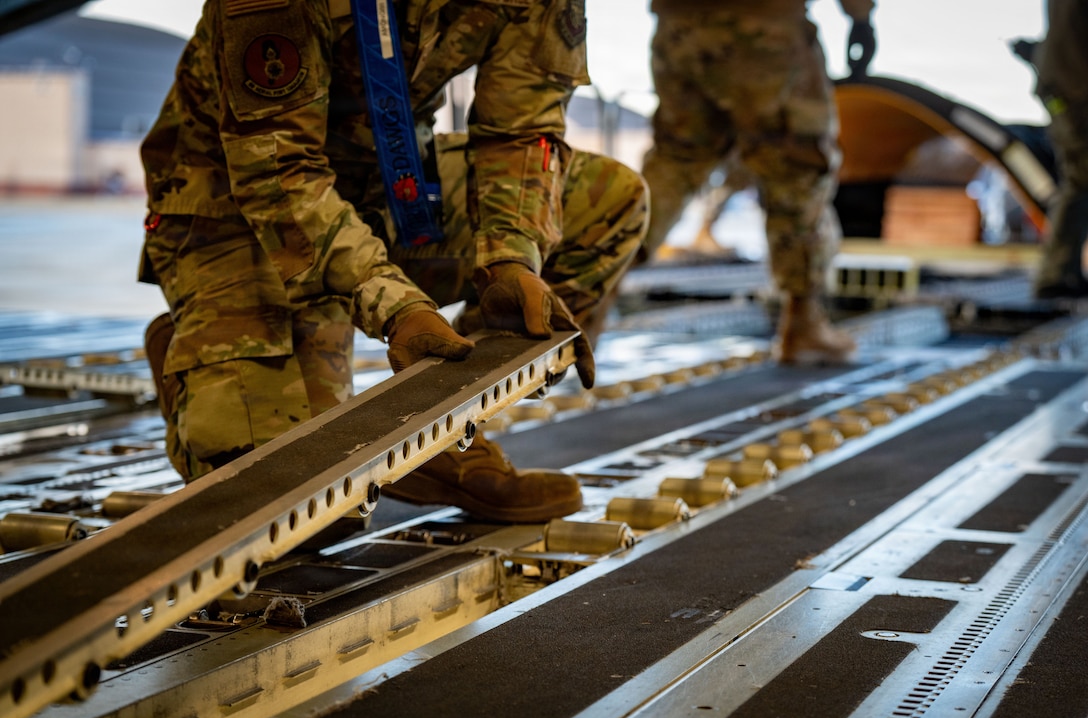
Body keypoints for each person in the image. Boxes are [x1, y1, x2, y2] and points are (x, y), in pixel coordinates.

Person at [138, 0, 647, 523]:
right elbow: (276, 172)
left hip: (390, 194)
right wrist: (397, 307)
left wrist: (512, 260)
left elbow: (519, 134)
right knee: (300, 509)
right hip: (237, 213)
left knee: (610, 200)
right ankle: (203, 345)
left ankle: (448, 430)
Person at [639, 0, 874, 364]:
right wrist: (860, 16)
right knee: (795, 166)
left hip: (678, 25)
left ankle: (588, 298)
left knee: (674, 162)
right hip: (765, 25)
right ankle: (804, 325)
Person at [1021, 0, 1088, 299]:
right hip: (1071, 91)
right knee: (1081, 175)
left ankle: (1063, 272)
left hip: (1066, 85)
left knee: (1081, 175)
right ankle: (1055, 275)